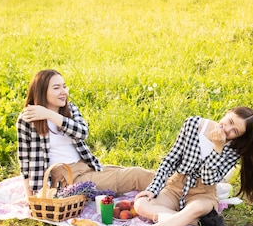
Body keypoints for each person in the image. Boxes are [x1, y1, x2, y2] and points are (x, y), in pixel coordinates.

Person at [112, 106, 253, 226]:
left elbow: (209, 179)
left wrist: (217, 148)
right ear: (227, 113)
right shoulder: (193, 124)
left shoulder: (234, 149)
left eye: (235, 131)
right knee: (140, 204)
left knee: (196, 207)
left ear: (239, 136)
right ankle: (197, 222)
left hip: (203, 193)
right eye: (229, 121)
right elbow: (171, 160)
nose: (227, 130)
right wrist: (153, 188)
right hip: (176, 186)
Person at [16, 69, 154, 199]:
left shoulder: (69, 108)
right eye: (56, 88)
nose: (63, 91)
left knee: (136, 172)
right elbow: (25, 161)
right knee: (135, 175)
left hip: (86, 166)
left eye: (64, 86)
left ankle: (171, 186)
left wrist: (49, 114)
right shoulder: (27, 119)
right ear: (41, 91)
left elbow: (82, 132)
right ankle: (172, 191)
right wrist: (31, 198)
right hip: (67, 179)